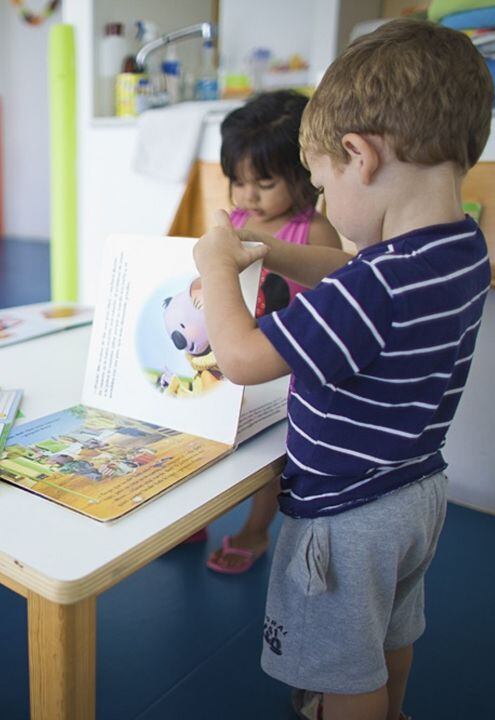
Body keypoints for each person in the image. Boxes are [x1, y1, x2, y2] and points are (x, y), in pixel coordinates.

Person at [191, 19, 493, 720]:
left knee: (342, 671)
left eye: (323, 186)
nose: (322, 206)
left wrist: (215, 265)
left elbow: (240, 359)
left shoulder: (376, 288)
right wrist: (271, 248)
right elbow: (351, 267)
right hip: (416, 493)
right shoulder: (457, 249)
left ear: (359, 155)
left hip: (345, 514)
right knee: (390, 636)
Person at [205, 90, 342, 575]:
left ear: (302, 173)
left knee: (270, 460)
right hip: (236, 352)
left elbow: (333, 301)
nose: (246, 197)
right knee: (207, 432)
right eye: (238, 183)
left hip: (287, 368)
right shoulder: (235, 221)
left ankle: (255, 529)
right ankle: (200, 513)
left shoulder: (315, 233)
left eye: (263, 182)